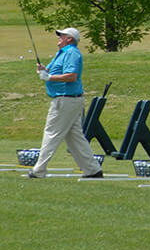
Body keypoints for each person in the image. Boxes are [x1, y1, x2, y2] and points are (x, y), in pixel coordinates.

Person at [28, 27, 103, 179]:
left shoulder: (71, 53)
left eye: (61, 35)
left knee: (52, 133)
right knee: (75, 138)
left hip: (66, 100)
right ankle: (93, 170)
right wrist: (44, 70)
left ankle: (39, 170)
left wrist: (49, 77)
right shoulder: (62, 53)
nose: (59, 37)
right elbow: (55, 71)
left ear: (69, 38)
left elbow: (71, 76)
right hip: (68, 100)